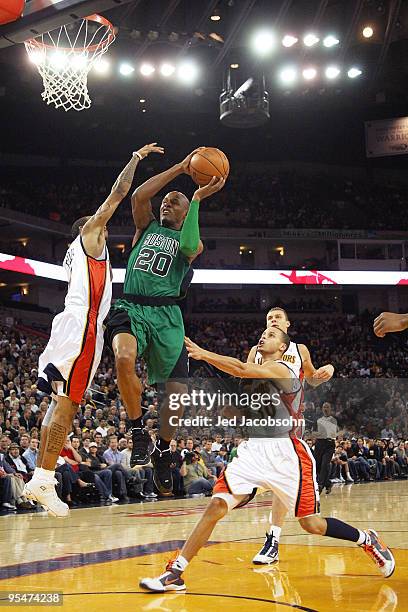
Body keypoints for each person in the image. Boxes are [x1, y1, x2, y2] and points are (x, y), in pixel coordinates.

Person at [140, 327, 395, 592]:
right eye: (263, 333)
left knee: (312, 524)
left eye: (272, 334)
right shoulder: (257, 380)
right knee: (216, 505)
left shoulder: (283, 369)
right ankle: (176, 572)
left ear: (283, 348)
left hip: (287, 455)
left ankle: (367, 539)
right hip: (254, 451)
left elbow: (240, 368)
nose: (264, 336)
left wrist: (203, 354)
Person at [23, 143, 163, 517]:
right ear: (88, 229)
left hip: (71, 326)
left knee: (58, 404)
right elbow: (118, 194)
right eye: (98, 226)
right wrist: (134, 159)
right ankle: (44, 477)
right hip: (82, 327)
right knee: (67, 407)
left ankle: (42, 475)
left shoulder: (77, 253)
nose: (104, 232)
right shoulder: (88, 239)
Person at [105, 150, 225, 495]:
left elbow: (189, 242)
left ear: (187, 212)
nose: (165, 204)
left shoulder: (192, 242)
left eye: (174, 202)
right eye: (166, 201)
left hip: (167, 316)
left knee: (176, 398)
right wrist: (180, 168)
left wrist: (198, 198)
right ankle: (139, 429)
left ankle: (162, 450)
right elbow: (140, 195)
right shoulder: (147, 227)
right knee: (123, 358)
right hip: (132, 306)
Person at [248, 306, 334, 565]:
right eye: (268, 318)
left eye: (277, 318)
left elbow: (312, 378)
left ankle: (273, 539)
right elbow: (246, 380)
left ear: (287, 324)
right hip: (261, 422)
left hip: (289, 423)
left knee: (279, 479)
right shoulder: (257, 351)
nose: (272, 320)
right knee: (260, 480)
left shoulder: (300, 350)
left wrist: (327, 371)